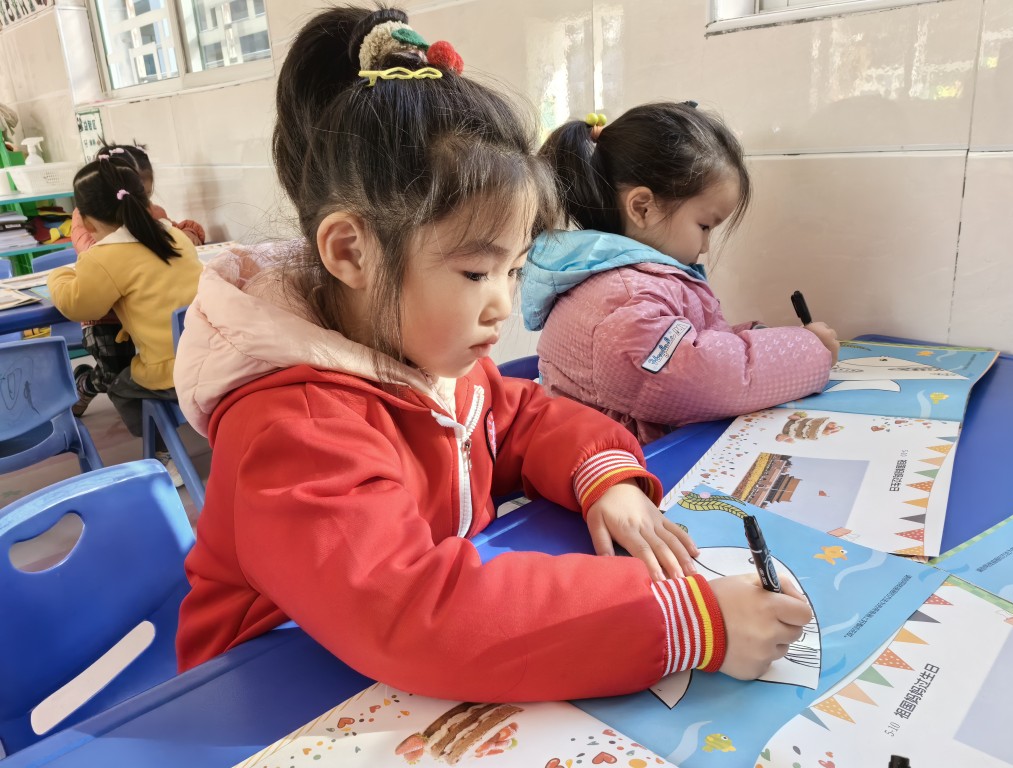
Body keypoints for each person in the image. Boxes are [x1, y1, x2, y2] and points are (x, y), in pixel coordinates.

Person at [172, 5, 811, 702]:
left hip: (386, 674)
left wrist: (605, 477)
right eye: (477, 272)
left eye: (515, 269)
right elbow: (417, 615)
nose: (503, 304)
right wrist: (685, 620)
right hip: (272, 694)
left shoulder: (427, 356)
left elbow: (521, 417)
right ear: (352, 252)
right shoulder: (291, 429)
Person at [521, 104, 840, 445]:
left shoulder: (630, 282)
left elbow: (694, 343)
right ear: (643, 207)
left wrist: (761, 337)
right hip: (623, 470)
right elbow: (702, 377)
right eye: (704, 226)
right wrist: (806, 350)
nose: (705, 246)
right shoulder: (623, 298)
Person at [48, 156, 202, 466]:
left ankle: (163, 449)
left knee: (121, 387)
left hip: (170, 372)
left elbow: (77, 304)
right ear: (146, 202)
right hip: (208, 353)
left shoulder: (105, 256)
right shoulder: (174, 236)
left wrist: (58, 275)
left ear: (86, 222)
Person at [68, 142, 205, 417]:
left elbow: (170, 231)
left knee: (129, 377)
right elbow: (94, 256)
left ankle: (156, 432)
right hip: (107, 316)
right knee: (114, 373)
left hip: (147, 318)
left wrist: (189, 231)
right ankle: (86, 385)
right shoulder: (90, 229)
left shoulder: (155, 218)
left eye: (144, 194)